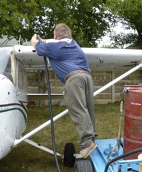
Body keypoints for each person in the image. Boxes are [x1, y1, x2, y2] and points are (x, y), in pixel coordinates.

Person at [31, 23, 97, 159]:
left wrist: (36, 38)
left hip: (74, 79)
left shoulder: (55, 46)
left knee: (78, 110)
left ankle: (87, 143)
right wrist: (45, 41)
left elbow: (36, 45)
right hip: (87, 78)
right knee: (88, 109)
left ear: (56, 36)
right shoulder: (74, 45)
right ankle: (92, 139)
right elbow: (51, 45)